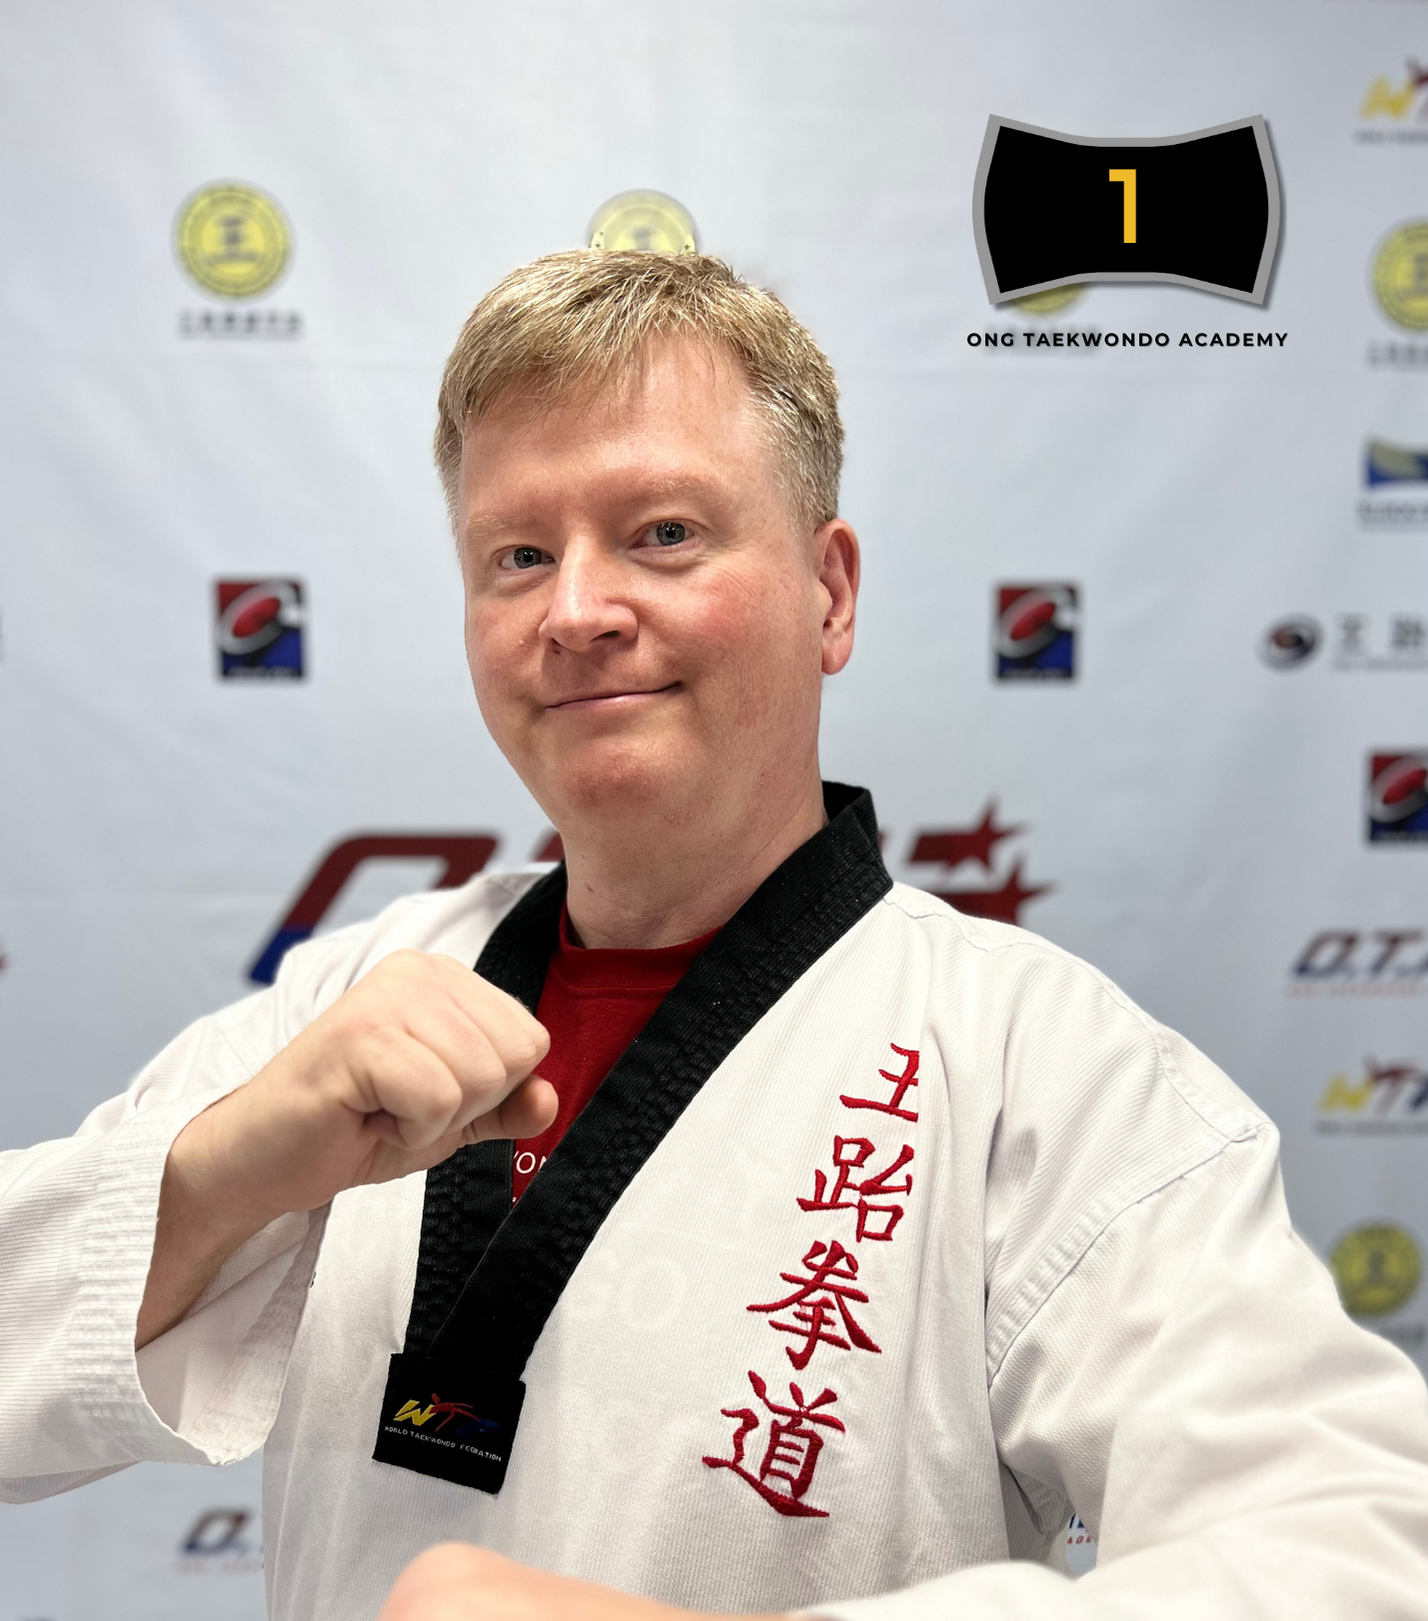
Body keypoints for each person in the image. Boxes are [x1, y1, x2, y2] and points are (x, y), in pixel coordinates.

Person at [3, 252, 1428, 1621]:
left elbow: (1355, 1555)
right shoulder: (353, 1002)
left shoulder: (1038, 1068)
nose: (574, 611)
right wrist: (209, 1183)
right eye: (514, 555)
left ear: (832, 591)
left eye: (663, 534)